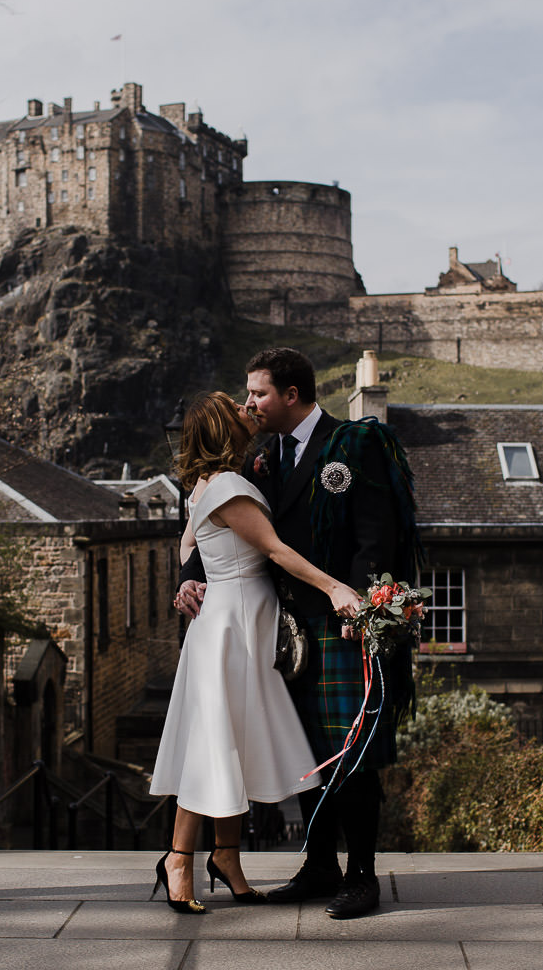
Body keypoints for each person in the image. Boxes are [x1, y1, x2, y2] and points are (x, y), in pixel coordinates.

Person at [176, 347, 419, 920]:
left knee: (349, 752)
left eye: (258, 393)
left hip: (342, 620)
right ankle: (318, 867)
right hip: (281, 630)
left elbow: (375, 535)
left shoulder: (355, 443)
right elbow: (214, 527)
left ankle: (361, 875)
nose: (249, 403)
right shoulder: (261, 461)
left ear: (291, 395)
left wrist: (360, 605)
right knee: (303, 748)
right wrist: (189, 578)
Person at [149, 391, 362, 914]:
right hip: (234, 625)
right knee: (211, 744)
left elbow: (186, 545)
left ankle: (227, 857)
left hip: (231, 621)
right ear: (225, 429)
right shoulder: (227, 487)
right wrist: (336, 588)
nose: (249, 411)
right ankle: (178, 858)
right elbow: (276, 550)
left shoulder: (205, 486)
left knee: (230, 742)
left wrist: (192, 579)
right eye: (237, 408)